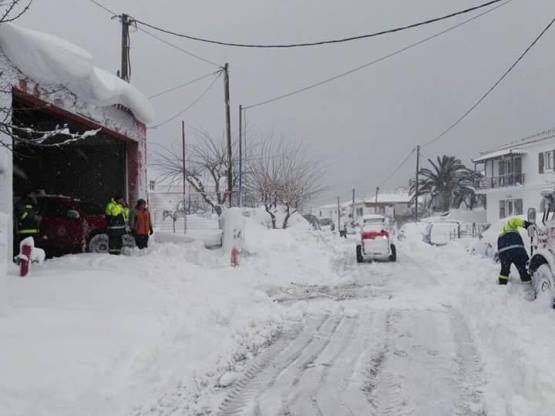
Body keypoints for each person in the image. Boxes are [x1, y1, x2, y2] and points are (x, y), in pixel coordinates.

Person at [497, 216, 535, 285]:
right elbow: (514, 220)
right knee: (523, 267)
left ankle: (502, 284)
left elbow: (499, 250)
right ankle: (527, 283)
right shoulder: (509, 224)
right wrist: (526, 224)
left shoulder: (500, 235)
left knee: (504, 270)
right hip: (516, 250)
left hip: (504, 253)